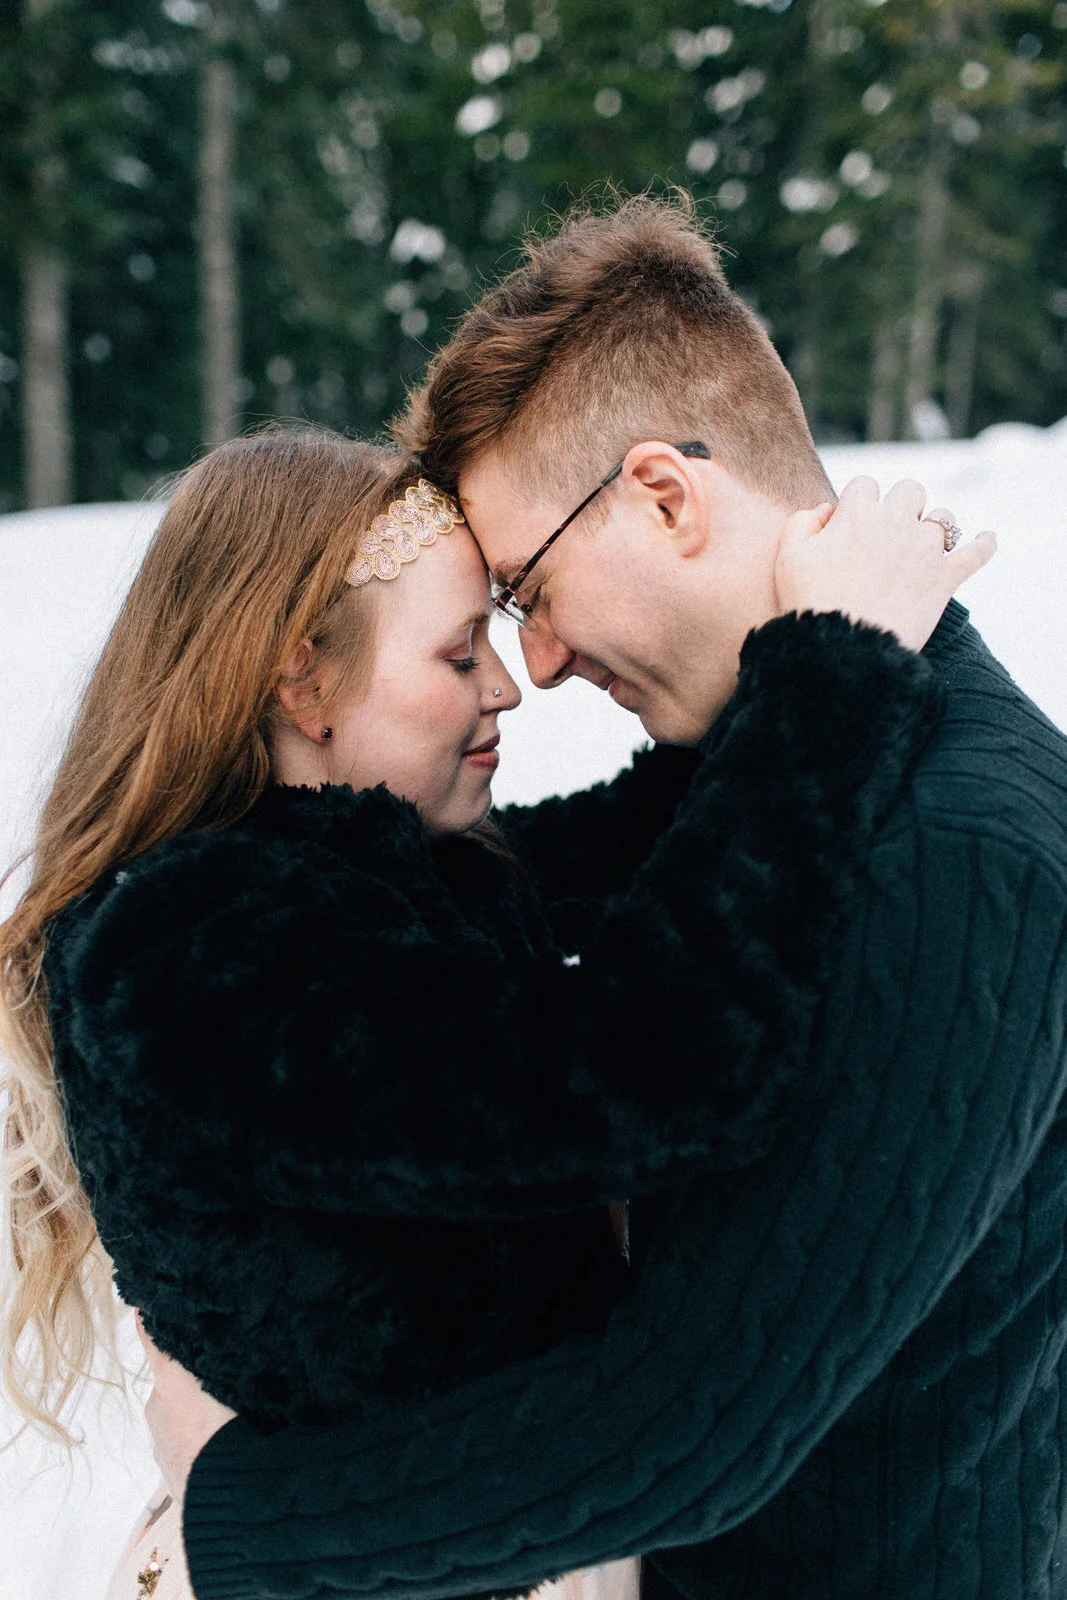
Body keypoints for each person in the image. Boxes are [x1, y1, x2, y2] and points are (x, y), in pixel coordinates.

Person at [145, 196, 1067, 1600]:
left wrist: (236, 1524)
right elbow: (492, 912)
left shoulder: (949, 851)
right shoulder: (800, 774)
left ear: (662, 494)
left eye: (527, 587)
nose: (544, 659)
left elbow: (691, 1426)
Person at [0, 421, 962, 1599]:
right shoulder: (190, 954)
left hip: (473, 1546)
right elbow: (654, 1068)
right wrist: (834, 661)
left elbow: (666, 843)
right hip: (364, 1567)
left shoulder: (382, 863)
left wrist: (800, 622)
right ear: (302, 678)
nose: (506, 683)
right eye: (461, 654)